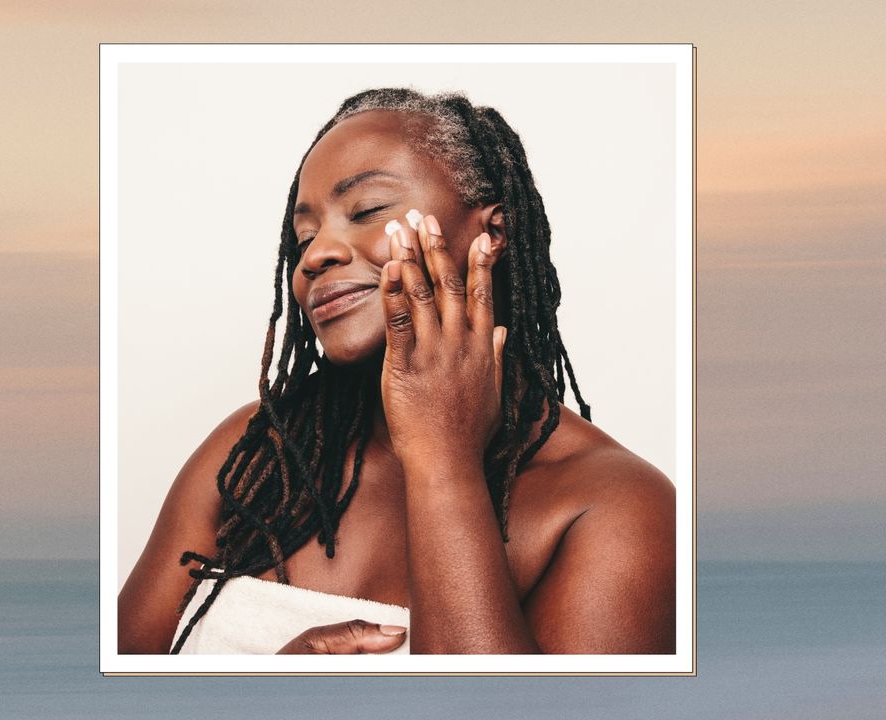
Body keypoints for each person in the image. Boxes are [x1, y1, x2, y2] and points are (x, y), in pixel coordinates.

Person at [118, 87, 675, 655]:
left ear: (493, 234)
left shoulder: (616, 508)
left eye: (366, 211)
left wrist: (443, 458)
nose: (315, 256)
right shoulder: (257, 451)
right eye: (304, 237)